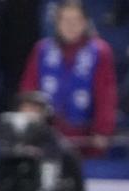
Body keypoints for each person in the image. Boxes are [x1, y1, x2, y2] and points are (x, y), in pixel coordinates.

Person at [19, 0, 117, 155]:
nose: (70, 26)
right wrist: (30, 129)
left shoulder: (100, 52)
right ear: (56, 23)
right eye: (65, 20)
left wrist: (102, 131)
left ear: (85, 23)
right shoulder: (42, 50)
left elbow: (106, 94)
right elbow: (28, 91)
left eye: (76, 21)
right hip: (46, 138)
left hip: (85, 138)